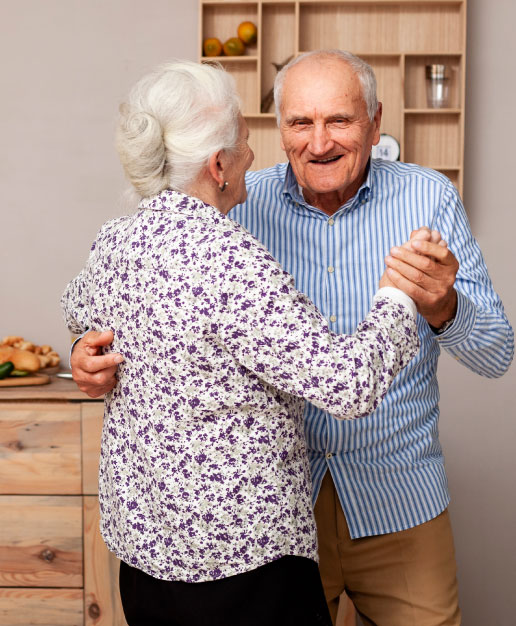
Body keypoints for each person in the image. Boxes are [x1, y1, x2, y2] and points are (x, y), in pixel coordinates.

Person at [70, 51, 514, 626]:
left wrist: (444, 307)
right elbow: (148, 306)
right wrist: (91, 351)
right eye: (300, 123)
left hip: (398, 501)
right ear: (274, 130)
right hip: (275, 521)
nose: (319, 141)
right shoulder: (232, 207)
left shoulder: (429, 199)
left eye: (340, 121)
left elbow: (497, 351)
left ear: (376, 124)